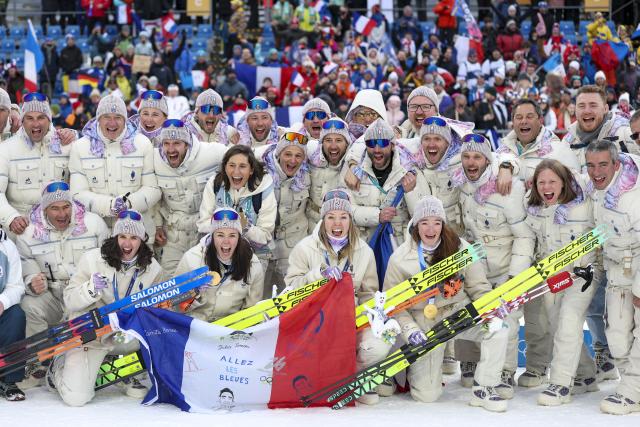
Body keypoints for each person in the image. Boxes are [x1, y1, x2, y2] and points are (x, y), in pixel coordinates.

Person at [384, 195, 508, 412]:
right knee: (427, 396)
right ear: (416, 225)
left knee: (499, 329)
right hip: (424, 323)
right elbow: (394, 305)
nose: (431, 228)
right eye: (424, 222)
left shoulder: (461, 248)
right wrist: (411, 330)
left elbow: (479, 288)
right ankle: (409, 372)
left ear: (443, 224)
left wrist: (492, 309)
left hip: (458, 313)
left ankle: (485, 387)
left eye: (436, 222)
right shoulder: (400, 258)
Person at [47, 210, 164, 406]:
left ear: (142, 239)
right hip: (91, 335)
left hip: (125, 336)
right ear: (115, 236)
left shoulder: (153, 269)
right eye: (122, 237)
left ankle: (121, 371)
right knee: (76, 398)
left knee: (154, 335)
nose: (127, 244)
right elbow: (69, 300)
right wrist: (89, 289)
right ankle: (59, 364)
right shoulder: (92, 259)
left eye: (134, 237)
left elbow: (159, 309)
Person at [452, 134, 534, 397]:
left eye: (477, 156)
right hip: (475, 265)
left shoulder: (508, 187)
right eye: (466, 156)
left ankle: (505, 371)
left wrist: (515, 276)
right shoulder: (462, 184)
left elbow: (524, 235)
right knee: (466, 309)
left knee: (505, 317)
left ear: (488, 160)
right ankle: (469, 362)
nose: (470, 162)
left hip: (505, 267)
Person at [284, 189, 383, 404]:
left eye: (343, 217)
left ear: (350, 219)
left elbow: (368, 293)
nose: (337, 223)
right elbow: (291, 289)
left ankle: (356, 376)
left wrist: (369, 320)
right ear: (323, 219)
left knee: (379, 344)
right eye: (331, 217)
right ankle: (319, 379)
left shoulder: (364, 251)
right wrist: (317, 276)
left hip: (348, 322)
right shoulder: (305, 248)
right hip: (312, 323)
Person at [15, 182, 108, 386]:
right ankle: (40, 361)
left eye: (66, 206)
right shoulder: (28, 233)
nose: (62, 213)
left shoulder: (94, 224)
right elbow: (26, 269)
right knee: (29, 305)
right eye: (55, 208)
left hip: (85, 295)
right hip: (54, 295)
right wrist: (32, 282)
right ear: (44, 209)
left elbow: (108, 262)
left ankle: (97, 357)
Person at [525, 159, 598, 406]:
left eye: (552, 181)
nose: (546, 187)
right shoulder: (533, 207)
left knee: (568, 318)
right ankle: (586, 375)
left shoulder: (584, 201)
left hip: (583, 274)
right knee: (558, 324)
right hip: (553, 275)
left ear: (564, 182)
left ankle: (560, 383)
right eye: (541, 182)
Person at [585, 140, 640, 415]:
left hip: (639, 269)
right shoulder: (594, 190)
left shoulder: (634, 195)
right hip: (616, 271)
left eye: (603, 164)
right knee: (617, 337)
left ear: (616, 165)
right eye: (591, 165)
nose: (596, 171)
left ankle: (632, 392)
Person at [69, 94, 161, 241]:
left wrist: (129, 204)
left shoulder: (142, 144)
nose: (112, 123)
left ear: (125, 119)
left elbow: (153, 190)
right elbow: (77, 194)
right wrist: (109, 206)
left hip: (136, 233)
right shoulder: (81, 147)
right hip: (97, 235)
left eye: (118, 117)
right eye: (106, 117)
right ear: (98, 119)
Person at [154, 119, 227, 275]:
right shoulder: (155, 160)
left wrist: (276, 149)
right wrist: (157, 225)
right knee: (170, 284)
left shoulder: (210, 153)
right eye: (166, 143)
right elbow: (154, 193)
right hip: (174, 236)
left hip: (203, 234)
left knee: (206, 283)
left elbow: (241, 155)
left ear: (187, 144)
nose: (170, 149)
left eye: (177, 143)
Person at [198, 145, 277, 280]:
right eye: (231, 165)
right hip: (219, 253)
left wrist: (245, 226)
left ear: (251, 170)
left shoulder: (264, 188)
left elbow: (265, 235)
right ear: (225, 167)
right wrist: (227, 224)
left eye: (242, 166)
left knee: (250, 298)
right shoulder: (215, 184)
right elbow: (202, 224)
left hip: (255, 257)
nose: (236, 171)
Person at [0, 93, 73, 238]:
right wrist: (11, 217)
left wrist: (74, 135)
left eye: (41, 117)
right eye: (29, 118)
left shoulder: (66, 145)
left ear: (49, 120)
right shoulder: (6, 149)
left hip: (59, 231)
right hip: (21, 232)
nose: (36, 124)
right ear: (22, 120)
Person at [175, 207, 263, 322]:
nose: (226, 241)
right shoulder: (192, 259)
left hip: (231, 330)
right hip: (196, 327)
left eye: (232, 235)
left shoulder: (252, 265)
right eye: (220, 235)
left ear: (239, 238)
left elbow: (252, 312)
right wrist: (192, 295)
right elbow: (174, 305)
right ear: (212, 236)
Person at [349, 118, 416, 244]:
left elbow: (419, 215)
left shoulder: (408, 170)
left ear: (392, 145)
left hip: (398, 247)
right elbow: (346, 209)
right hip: (364, 246)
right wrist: (376, 216)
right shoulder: (354, 172)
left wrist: (410, 192)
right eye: (371, 143)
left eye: (383, 143)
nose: (377, 149)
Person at [260, 131, 310, 283]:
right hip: (263, 248)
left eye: (298, 156)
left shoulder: (307, 176)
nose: (293, 160)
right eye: (288, 154)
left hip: (293, 248)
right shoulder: (261, 174)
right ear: (279, 154)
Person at [564, 85, 638, 165]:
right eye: (581, 106)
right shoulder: (567, 142)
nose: (587, 111)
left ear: (605, 109)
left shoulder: (626, 133)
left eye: (593, 105)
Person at [306, 118, 351, 229]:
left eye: (339, 140)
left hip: (339, 227)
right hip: (310, 224)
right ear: (322, 143)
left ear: (347, 144)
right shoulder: (312, 156)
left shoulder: (354, 163)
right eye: (328, 140)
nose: (333, 146)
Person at [0, 230, 26, 401]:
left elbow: (16, 286)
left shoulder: (7, 246)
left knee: (16, 315)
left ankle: (8, 379)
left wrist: (2, 302)